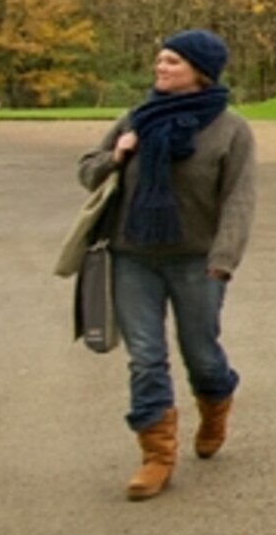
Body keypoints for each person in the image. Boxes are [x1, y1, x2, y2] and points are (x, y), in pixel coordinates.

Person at [77, 30, 257, 500]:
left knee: (201, 354)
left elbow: (239, 200)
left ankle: (216, 402)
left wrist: (223, 260)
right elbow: (87, 170)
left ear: (200, 71)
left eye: (172, 62)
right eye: (159, 60)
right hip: (132, 256)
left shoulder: (231, 129)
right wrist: (118, 153)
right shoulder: (136, 118)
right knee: (146, 358)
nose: (160, 68)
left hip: (197, 262)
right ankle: (156, 456)